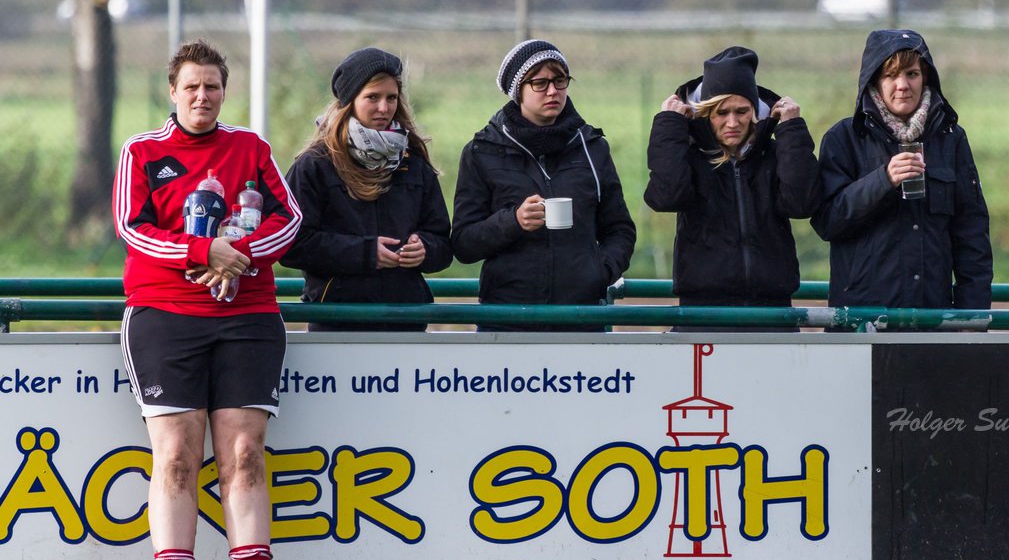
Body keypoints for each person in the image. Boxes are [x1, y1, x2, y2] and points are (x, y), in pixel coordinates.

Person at [112, 39, 301, 560]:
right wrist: (203, 249)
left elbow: (288, 219)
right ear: (172, 92)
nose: (202, 96)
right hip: (165, 317)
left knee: (244, 453)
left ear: (224, 91)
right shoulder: (141, 152)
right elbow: (131, 226)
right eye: (191, 86)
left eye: (212, 86)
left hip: (247, 317)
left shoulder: (250, 148)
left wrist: (232, 255)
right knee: (175, 457)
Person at [450, 39, 636, 330]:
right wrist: (513, 221)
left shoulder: (592, 147)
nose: (553, 91)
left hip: (581, 317)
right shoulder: (481, 151)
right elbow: (463, 243)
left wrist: (599, 272)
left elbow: (620, 229)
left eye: (560, 80)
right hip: (506, 319)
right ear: (517, 90)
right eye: (540, 83)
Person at [811, 29, 992, 313]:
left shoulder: (951, 138)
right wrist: (883, 180)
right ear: (873, 81)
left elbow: (972, 235)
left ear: (926, 77)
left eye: (912, 74)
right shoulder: (843, 138)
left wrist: (972, 317)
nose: (902, 85)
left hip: (933, 317)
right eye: (890, 76)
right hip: (861, 319)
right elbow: (827, 221)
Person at [644, 45, 821, 324]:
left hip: (773, 310)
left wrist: (792, 130)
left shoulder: (776, 154)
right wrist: (669, 124)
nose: (732, 122)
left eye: (741, 111)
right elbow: (666, 197)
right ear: (706, 114)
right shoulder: (690, 157)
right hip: (701, 310)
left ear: (755, 112)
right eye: (721, 112)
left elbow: (801, 204)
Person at [281, 47, 452, 331]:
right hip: (337, 323)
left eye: (391, 98)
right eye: (372, 97)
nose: (384, 108)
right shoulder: (314, 165)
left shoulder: (414, 162)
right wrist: (365, 254)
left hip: (406, 320)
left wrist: (425, 249)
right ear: (349, 101)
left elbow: (443, 244)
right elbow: (291, 244)